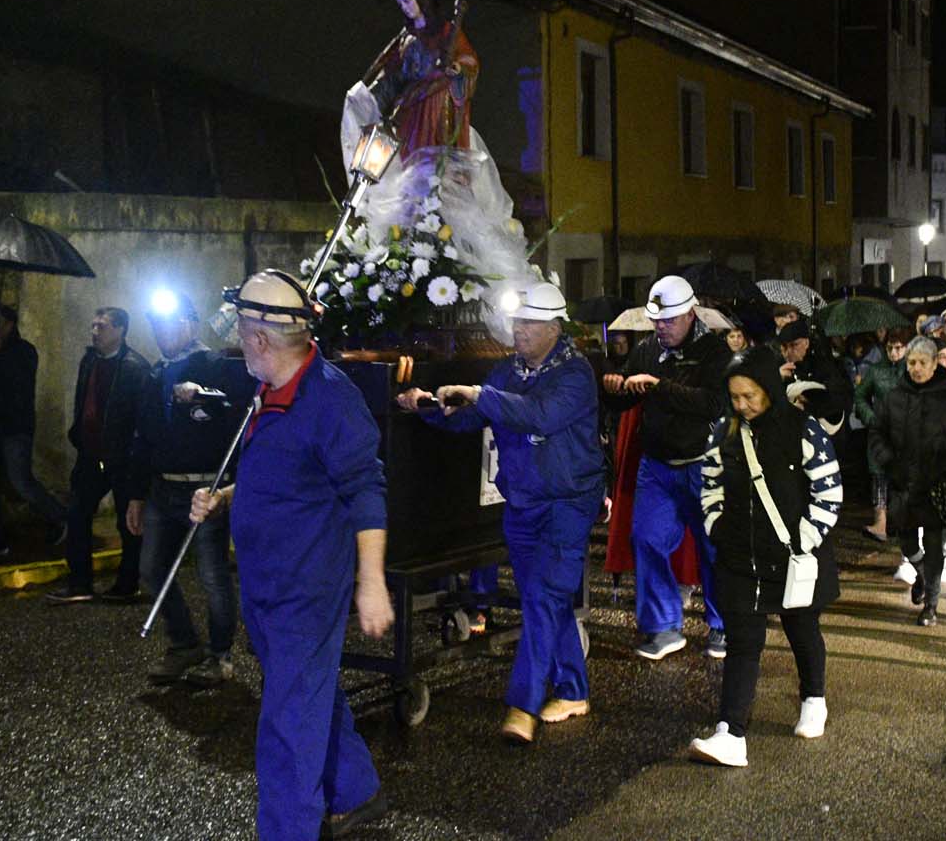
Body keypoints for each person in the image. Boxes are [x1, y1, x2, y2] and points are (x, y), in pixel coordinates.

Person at [190, 270, 393, 840]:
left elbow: (366, 491)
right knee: (307, 695)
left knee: (285, 723)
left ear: (259, 339)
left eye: (240, 328)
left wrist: (371, 582)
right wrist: (227, 498)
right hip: (265, 583)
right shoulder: (269, 390)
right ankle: (355, 789)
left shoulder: (329, 400)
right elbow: (287, 478)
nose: (235, 338)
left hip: (305, 590)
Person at [397, 282, 603, 743]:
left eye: (528, 323)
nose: (518, 330)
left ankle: (522, 707)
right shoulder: (508, 370)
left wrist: (478, 394)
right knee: (541, 600)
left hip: (568, 503)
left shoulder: (575, 374)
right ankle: (573, 691)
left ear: (553, 327)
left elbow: (539, 415)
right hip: (524, 502)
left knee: (547, 598)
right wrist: (430, 407)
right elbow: (474, 417)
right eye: (516, 321)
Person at [688, 347, 841, 766]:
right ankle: (730, 733)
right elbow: (710, 485)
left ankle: (814, 699)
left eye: (750, 396)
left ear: (769, 390)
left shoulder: (804, 430)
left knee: (802, 630)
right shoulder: (723, 432)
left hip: (793, 557)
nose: (742, 405)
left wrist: (804, 539)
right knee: (742, 642)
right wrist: (716, 525)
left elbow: (829, 493)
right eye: (735, 397)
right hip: (741, 556)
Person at [603, 275, 732, 660]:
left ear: (691, 314)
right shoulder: (646, 350)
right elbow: (628, 399)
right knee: (646, 538)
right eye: (657, 320)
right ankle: (663, 628)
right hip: (657, 466)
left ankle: (723, 626)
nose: (661, 327)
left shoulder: (715, 353)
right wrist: (616, 390)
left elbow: (713, 404)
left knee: (713, 548)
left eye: (669, 320)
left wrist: (658, 386)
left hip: (703, 464)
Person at [127, 293, 251, 687]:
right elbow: (143, 436)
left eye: (169, 323)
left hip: (205, 488)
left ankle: (220, 654)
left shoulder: (216, 366)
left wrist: (206, 396)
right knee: (151, 568)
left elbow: (239, 412)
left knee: (213, 575)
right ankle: (184, 644)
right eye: (156, 324)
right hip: (163, 489)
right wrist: (135, 493)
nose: (161, 332)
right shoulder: (153, 375)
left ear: (190, 324)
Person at [870, 337, 946, 625]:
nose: (916, 368)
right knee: (906, 542)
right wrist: (889, 462)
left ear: (935, 363)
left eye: (922, 362)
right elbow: (877, 432)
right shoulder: (894, 396)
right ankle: (921, 574)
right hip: (903, 481)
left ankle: (931, 605)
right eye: (911, 363)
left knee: (935, 546)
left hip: (938, 483)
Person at [46, 307, 151, 605]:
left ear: (120, 330)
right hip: (91, 454)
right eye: (93, 326)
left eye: (102, 327)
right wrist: (78, 432)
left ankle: (127, 583)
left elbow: (140, 419)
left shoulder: (134, 368)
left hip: (121, 457)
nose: (94, 331)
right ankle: (80, 582)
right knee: (77, 514)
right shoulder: (89, 361)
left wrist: (134, 456)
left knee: (127, 521)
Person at [0, 305, 69, 558]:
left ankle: (63, 517)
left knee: (20, 481)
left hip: (14, 427)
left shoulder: (24, 351)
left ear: (9, 324)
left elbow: (19, 386)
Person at [363, 0, 479, 156]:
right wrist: (370, 97)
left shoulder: (446, 30)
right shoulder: (406, 36)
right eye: (400, 3)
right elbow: (391, 70)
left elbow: (467, 57)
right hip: (410, 100)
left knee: (432, 148)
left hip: (436, 97)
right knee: (405, 149)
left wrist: (457, 67)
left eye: (407, 1)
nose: (404, 7)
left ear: (421, 0)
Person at [852, 329, 908, 542]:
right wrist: (870, 417)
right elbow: (860, 396)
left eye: (898, 348)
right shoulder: (876, 371)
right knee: (879, 475)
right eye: (890, 348)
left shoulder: (912, 369)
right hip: (880, 430)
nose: (894, 352)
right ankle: (881, 521)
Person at [777, 316, 852, 435]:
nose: (788, 352)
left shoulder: (826, 365)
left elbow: (840, 401)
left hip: (832, 434)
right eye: (784, 347)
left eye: (793, 345)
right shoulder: (781, 369)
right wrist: (778, 379)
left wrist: (807, 407)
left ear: (806, 343)